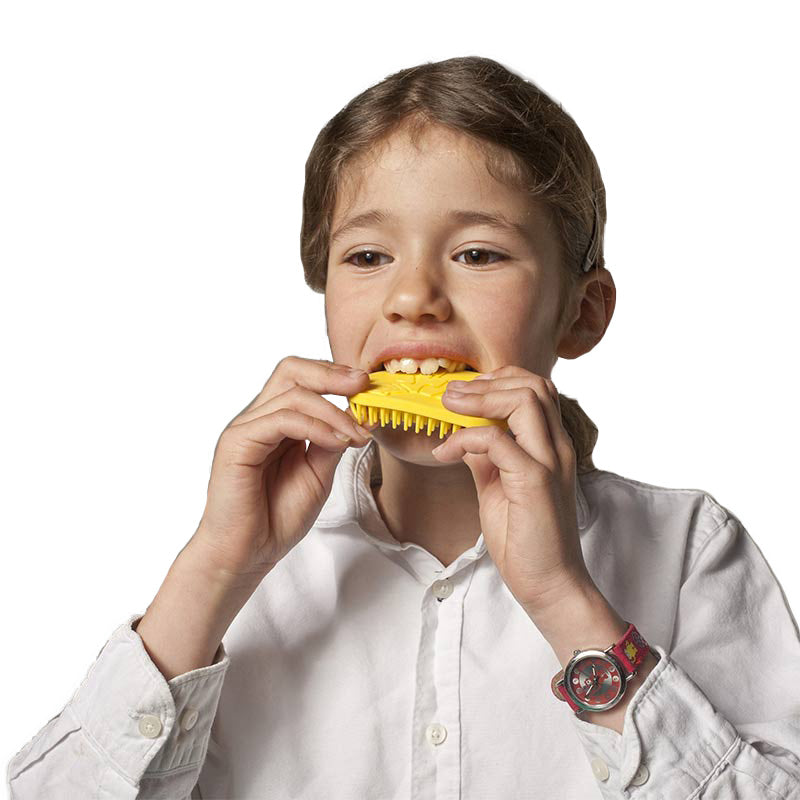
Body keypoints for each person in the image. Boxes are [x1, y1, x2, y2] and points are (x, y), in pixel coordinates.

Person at [7, 55, 800, 800]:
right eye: (367, 256)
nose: (413, 296)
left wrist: (565, 601)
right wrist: (213, 571)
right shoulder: (241, 576)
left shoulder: (691, 549)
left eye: (480, 253)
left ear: (581, 312)